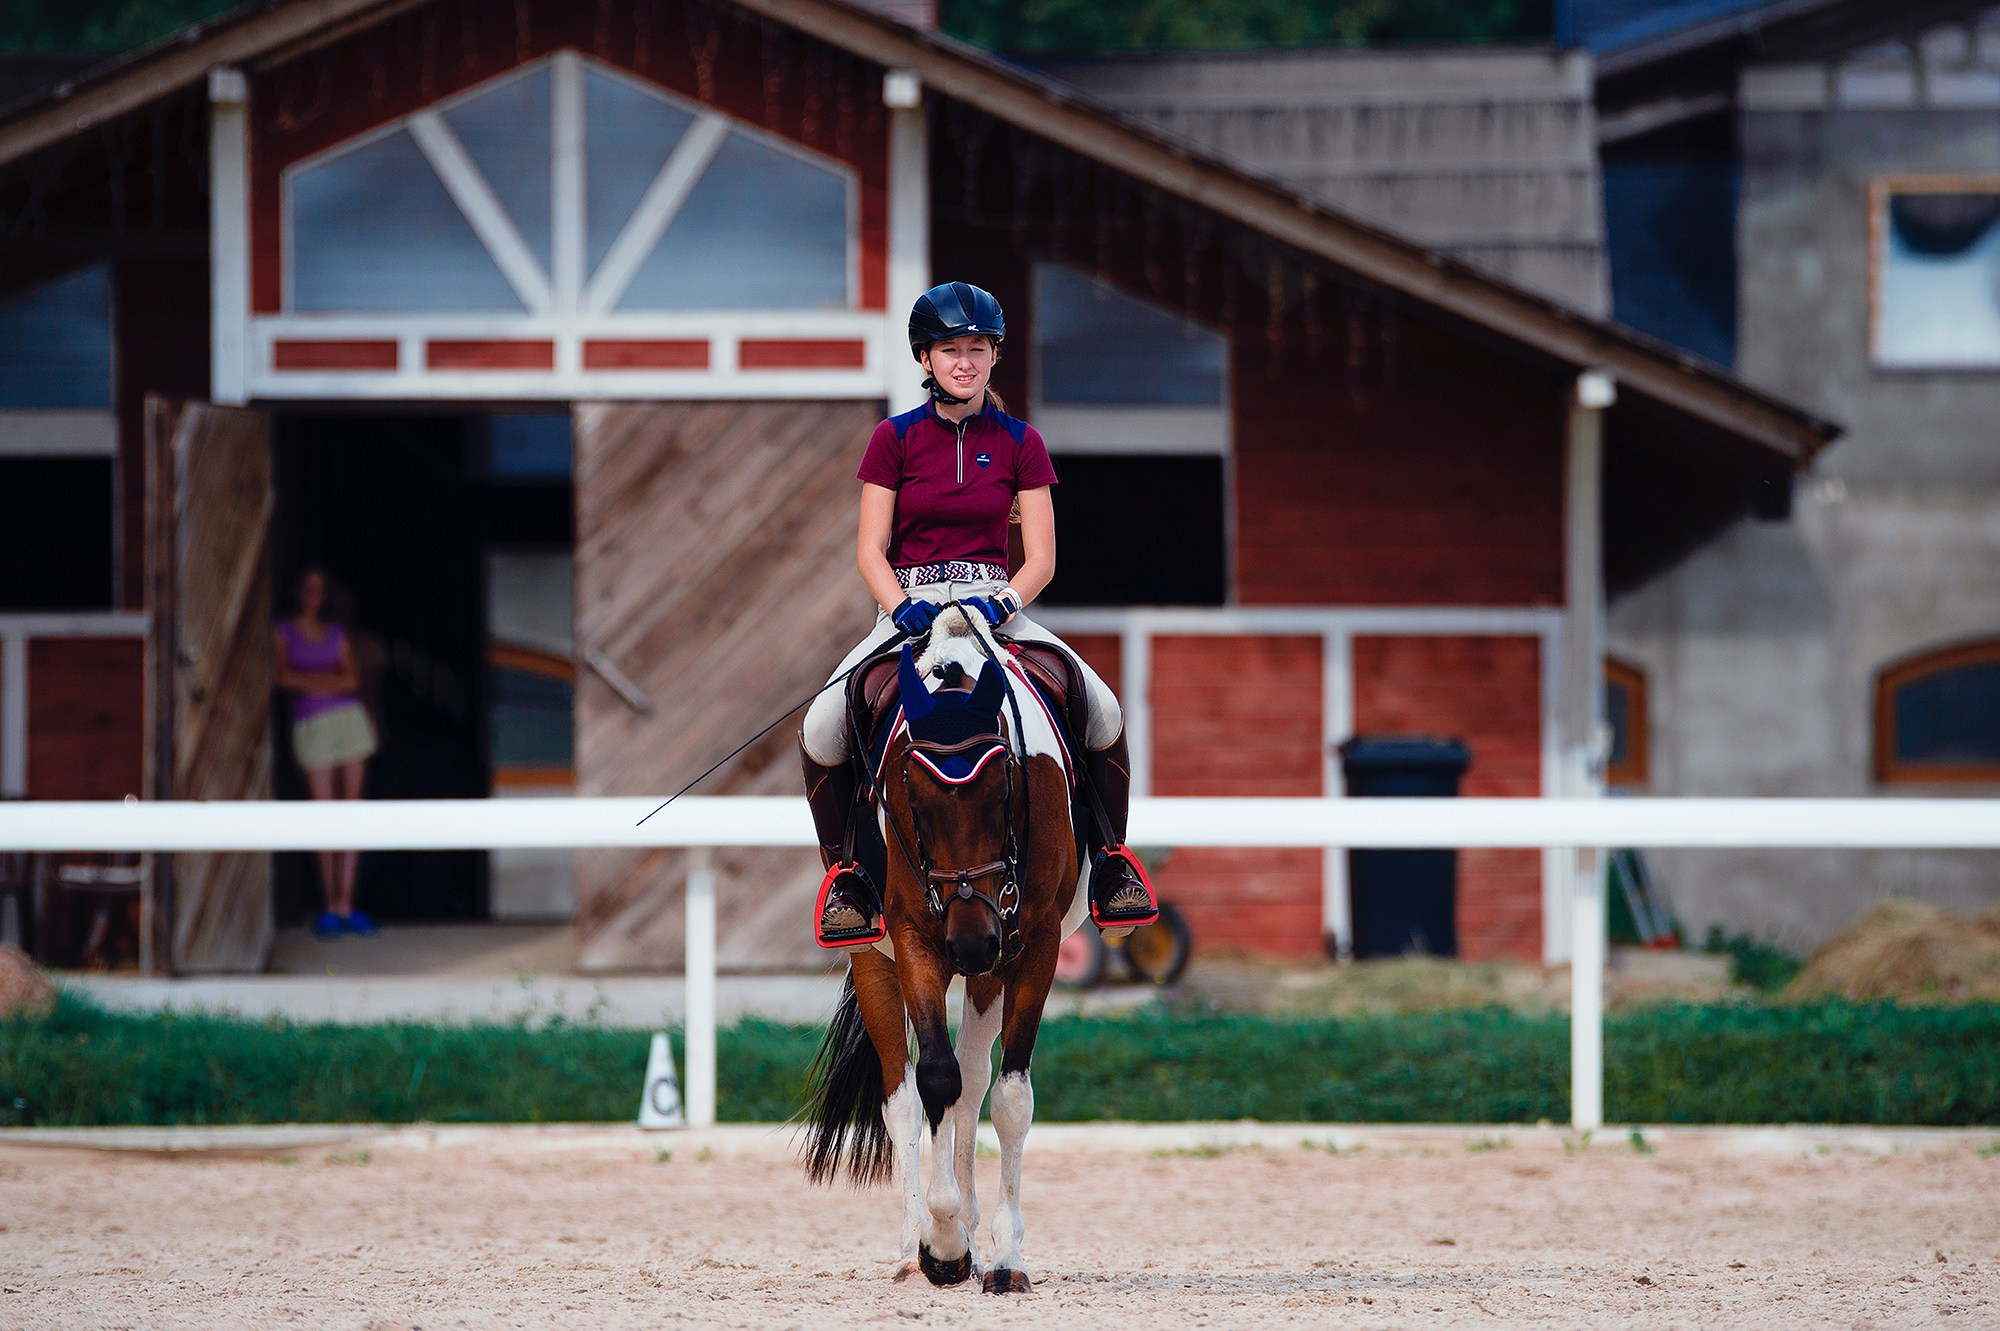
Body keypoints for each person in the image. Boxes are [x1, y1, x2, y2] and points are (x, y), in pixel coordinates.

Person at [799, 280, 1157, 950]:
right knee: (821, 725)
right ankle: (848, 879)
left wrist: (1007, 599)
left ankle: (1112, 863)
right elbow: (870, 549)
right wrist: (899, 606)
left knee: (1103, 708)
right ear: (926, 359)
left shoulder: (1022, 442)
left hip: (996, 608)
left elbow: (1042, 557)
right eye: (950, 350)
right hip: (909, 611)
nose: (964, 362)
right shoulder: (893, 438)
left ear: (994, 356)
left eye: (977, 349)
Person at [273, 567, 379, 938]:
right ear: (297, 591)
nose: (312, 596)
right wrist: (327, 682)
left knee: (351, 814)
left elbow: (352, 680)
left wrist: (309, 682)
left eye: (319, 590)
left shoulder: (337, 633)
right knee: (323, 815)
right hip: (311, 725)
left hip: (349, 722)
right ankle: (329, 905)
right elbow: (281, 677)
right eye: (307, 588)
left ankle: (346, 904)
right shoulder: (283, 632)